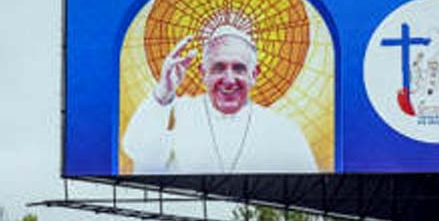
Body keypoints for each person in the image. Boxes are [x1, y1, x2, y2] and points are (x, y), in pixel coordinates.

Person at [122, 25, 317, 174]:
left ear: (254, 74)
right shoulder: (178, 112)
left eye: (239, 68)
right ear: (203, 73)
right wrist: (162, 93)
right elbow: (138, 153)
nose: (229, 80)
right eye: (218, 68)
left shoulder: (282, 129)